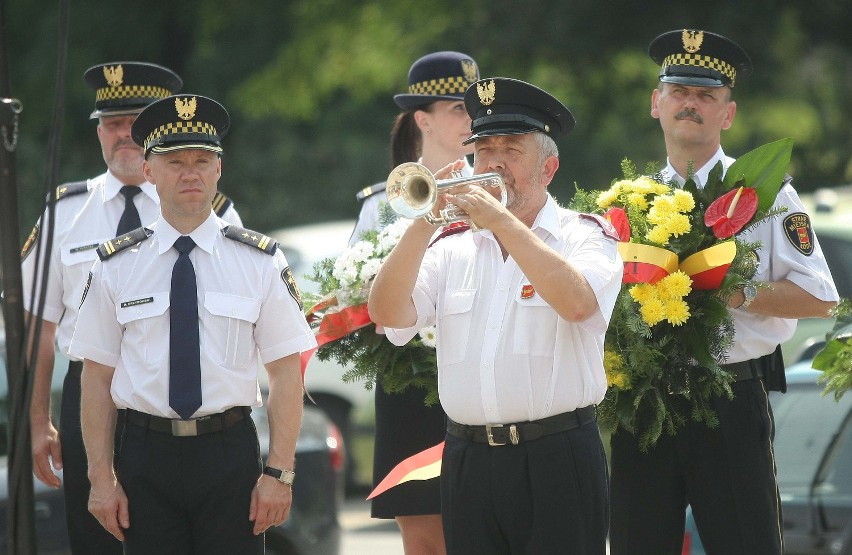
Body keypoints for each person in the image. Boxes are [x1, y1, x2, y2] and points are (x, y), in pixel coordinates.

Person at [608, 29, 840, 554]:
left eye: (706, 96)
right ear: (656, 103)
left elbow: (821, 296)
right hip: (646, 398)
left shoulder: (766, 193)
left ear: (727, 114)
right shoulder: (630, 202)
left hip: (730, 398)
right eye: (679, 91)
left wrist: (732, 291)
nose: (690, 104)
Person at [368, 77, 623, 554]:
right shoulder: (452, 246)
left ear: (549, 167)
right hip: (468, 460)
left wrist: (502, 222)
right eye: (484, 149)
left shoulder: (584, 235)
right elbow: (386, 313)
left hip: (558, 458)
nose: (494, 163)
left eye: (512, 148)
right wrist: (424, 223)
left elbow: (577, 303)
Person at [69, 94, 314, 554]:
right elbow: (96, 377)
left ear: (218, 170)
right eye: (175, 161)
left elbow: (286, 370)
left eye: (202, 160)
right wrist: (101, 479)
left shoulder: (259, 260)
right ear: (148, 172)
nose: (190, 173)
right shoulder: (115, 265)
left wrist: (279, 473)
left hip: (229, 453)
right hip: (145, 453)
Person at [21, 61, 236, 555]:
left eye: (134, 122)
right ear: (99, 130)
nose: (124, 135)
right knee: (95, 534)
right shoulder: (65, 212)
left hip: (171, 388)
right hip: (87, 389)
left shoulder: (213, 209)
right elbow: (40, 328)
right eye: (113, 124)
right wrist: (39, 421)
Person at [352, 50, 480, 555]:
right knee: (423, 537)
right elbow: (357, 300)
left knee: (486, 529)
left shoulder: (497, 190)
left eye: (473, 106)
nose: (470, 118)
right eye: (456, 108)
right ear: (422, 119)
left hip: (479, 374)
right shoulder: (380, 204)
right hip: (409, 382)